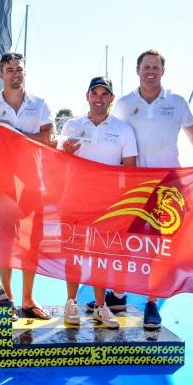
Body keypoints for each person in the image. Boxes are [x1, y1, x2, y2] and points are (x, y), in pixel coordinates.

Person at [106, 49, 193, 329]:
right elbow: (113, 139)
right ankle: (119, 295)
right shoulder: (123, 104)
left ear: (162, 71)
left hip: (168, 185)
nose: (151, 71)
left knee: (158, 247)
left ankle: (151, 303)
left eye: (156, 67)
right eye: (146, 66)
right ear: (137, 70)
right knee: (126, 243)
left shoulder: (177, 102)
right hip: (133, 183)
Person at [59, 76, 137, 329]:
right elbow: (58, 162)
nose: (99, 98)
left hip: (106, 203)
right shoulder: (71, 125)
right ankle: (70, 302)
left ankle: (101, 306)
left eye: (105, 94)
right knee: (73, 252)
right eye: (95, 93)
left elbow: (131, 170)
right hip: (74, 198)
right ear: (87, 96)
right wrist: (66, 152)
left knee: (100, 255)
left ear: (111, 99)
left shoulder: (124, 129)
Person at [0, 52, 55, 320]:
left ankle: (28, 299)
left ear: (24, 72)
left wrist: (14, 136)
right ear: (1, 74)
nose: (15, 73)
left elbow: (48, 137)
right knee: (5, 242)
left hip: (32, 183)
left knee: (31, 242)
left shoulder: (39, 104)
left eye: (19, 69)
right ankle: (7, 298)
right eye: (9, 69)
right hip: (1, 184)